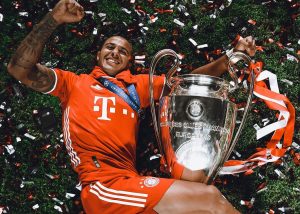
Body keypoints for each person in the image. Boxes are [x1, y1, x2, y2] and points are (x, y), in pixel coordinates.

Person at [7, 0, 256, 213]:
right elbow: (19, 69)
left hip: (130, 183)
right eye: (110, 47)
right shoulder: (73, 83)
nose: (115, 53)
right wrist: (53, 18)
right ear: (98, 54)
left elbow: (185, 85)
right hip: (103, 187)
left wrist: (229, 59)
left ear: (129, 60)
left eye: (123, 51)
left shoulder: (137, 87)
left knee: (205, 205)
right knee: (210, 199)